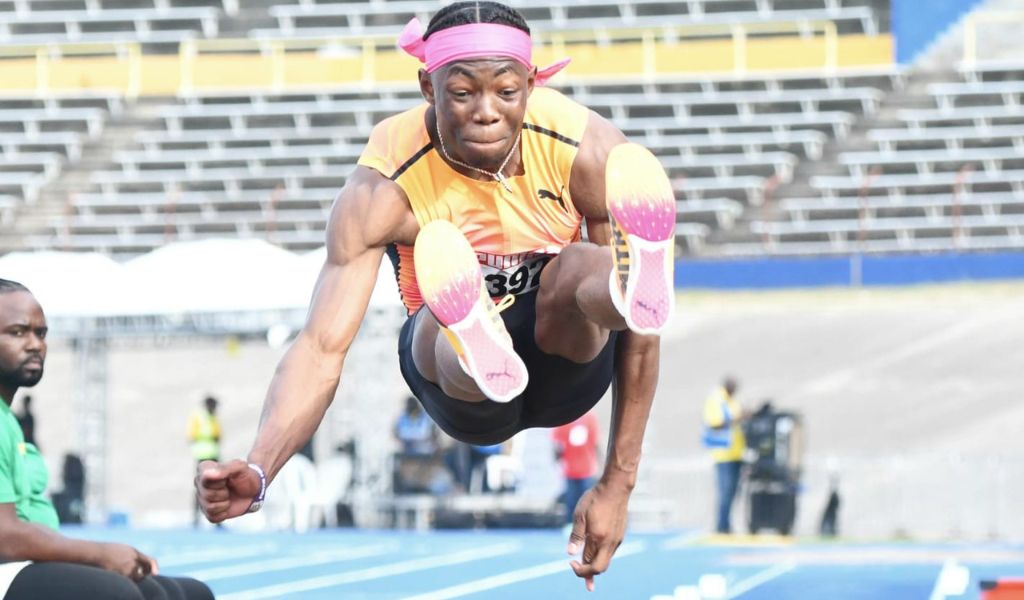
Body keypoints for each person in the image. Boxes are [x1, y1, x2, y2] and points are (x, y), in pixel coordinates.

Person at [195, 2, 675, 591]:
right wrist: (262, 465)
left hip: (567, 357)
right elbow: (322, 347)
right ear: (428, 85)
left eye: (506, 92)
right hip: (463, 394)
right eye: (463, 93)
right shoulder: (382, 185)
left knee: (577, 268)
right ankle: (473, 333)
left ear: (530, 84)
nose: (487, 113)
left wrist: (618, 483)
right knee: (435, 329)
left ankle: (625, 278)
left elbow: (642, 335)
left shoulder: (587, 150)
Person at [0, 278, 214, 600]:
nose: (34, 344)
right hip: (7, 565)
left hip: (22, 563)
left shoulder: (9, 420)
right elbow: (4, 535)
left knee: (187, 592)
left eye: (41, 333)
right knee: (119, 593)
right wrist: (98, 553)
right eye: (18, 332)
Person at [702, 376, 747, 535]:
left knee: (734, 492)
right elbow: (714, 423)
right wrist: (737, 418)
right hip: (723, 454)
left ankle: (727, 523)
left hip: (736, 453)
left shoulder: (732, 401)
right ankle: (722, 525)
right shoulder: (716, 399)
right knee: (726, 490)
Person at [552, 410, 601, 526]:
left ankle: (585, 525)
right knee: (572, 500)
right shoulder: (564, 420)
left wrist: (600, 463)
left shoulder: (590, 419)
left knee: (584, 501)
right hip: (571, 469)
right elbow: (557, 446)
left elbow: (596, 443)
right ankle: (572, 524)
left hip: (586, 469)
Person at [186, 395, 220, 528]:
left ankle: (217, 519)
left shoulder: (214, 418)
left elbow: (219, 437)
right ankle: (196, 518)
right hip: (201, 457)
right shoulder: (199, 418)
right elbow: (191, 436)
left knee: (217, 488)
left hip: (214, 456)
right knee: (200, 487)